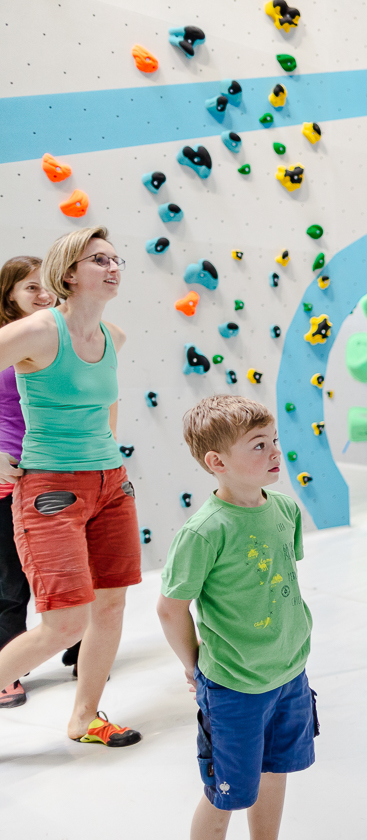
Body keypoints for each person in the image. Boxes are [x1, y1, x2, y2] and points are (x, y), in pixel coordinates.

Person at [0, 227, 142, 745]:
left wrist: (107, 455)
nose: (112, 267)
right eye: (98, 259)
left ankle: (85, 717)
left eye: (115, 257)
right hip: (49, 490)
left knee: (110, 606)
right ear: (67, 274)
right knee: (64, 624)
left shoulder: (113, 337)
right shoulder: (38, 331)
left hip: (111, 486)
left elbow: (108, 406)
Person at [156, 395, 316, 840]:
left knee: (275, 771)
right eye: (258, 445)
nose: (275, 453)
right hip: (233, 687)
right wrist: (194, 668)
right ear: (217, 461)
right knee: (227, 792)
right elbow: (170, 608)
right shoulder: (204, 531)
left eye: (274, 441)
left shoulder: (284, 509)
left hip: (289, 675)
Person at [0, 256, 55, 708]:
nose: (42, 293)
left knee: (67, 567)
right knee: (9, 579)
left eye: (46, 285)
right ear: (9, 295)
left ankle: (77, 644)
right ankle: (6, 669)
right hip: (8, 474)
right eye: (29, 287)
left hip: (54, 469)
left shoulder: (58, 334)